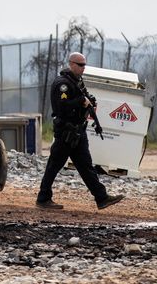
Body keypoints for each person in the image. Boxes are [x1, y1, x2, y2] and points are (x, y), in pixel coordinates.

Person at [36, 52, 125, 210]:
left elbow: (84, 96)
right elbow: (62, 106)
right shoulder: (63, 84)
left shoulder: (76, 81)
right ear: (71, 64)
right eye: (80, 65)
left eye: (84, 65)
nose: (83, 68)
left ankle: (101, 197)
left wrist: (90, 100)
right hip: (66, 132)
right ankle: (43, 199)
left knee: (86, 166)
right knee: (54, 165)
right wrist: (80, 101)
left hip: (78, 131)